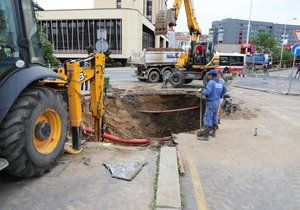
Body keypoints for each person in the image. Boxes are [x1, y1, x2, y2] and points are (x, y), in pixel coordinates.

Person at [198, 70, 228, 141]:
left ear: (211, 75)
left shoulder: (211, 82)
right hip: (217, 102)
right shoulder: (220, 82)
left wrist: (202, 91)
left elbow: (207, 92)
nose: (208, 76)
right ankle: (213, 133)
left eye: (209, 75)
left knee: (207, 118)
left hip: (211, 102)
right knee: (215, 117)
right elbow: (225, 90)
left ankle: (205, 136)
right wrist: (219, 95)